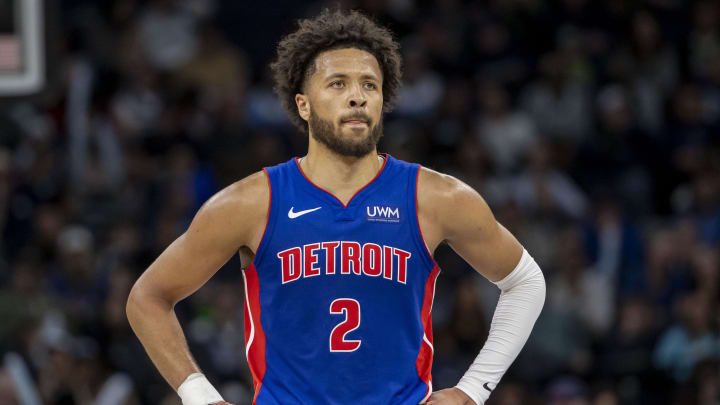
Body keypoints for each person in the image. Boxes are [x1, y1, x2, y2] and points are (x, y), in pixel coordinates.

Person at [126, 9, 546, 405]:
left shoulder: (437, 197)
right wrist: (199, 395)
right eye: (338, 84)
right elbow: (147, 298)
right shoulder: (250, 202)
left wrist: (474, 389)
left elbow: (526, 282)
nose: (357, 97)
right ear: (303, 105)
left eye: (369, 85)